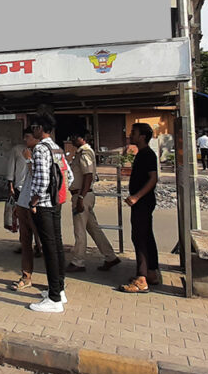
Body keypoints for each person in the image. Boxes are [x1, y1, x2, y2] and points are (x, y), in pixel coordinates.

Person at [27, 114, 68, 313]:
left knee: (49, 248)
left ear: (40, 128)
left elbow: (42, 181)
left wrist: (33, 201)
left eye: (34, 127)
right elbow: (69, 175)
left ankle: (54, 299)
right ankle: (59, 289)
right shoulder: (57, 148)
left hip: (43, 204)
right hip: (56, 201)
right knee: (57, 245)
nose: (32, 131)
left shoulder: (40, 149)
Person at [67, 129, 121, 273]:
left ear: (83, 138)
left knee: (79, 230)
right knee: (93, 228)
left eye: (74, 136)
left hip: (82, 195)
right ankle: (110, 256)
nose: (72, 139)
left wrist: (80, 197)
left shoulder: (85, 153)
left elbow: (88, 176)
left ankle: (78, 261)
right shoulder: (80, 153)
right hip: (82, 195)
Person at [121, 123, 161, 293]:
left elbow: (153, 179)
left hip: (143, 202)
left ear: (143, 136)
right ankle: (151, 272)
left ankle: (141, 278)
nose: (131, 135)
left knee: (140, 238)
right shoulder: (141, 154)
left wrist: (136, 197)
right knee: (146, 236)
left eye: (134, 133)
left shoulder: (148, 155)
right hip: (142, 202)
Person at [9, 128, 40, 291]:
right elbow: (28, 181)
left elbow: (40, 178)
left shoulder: (43, 153)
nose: (25, 140)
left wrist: (29, 161)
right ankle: (26, 276)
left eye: (28, 137)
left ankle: (55, 283)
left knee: (45, 242)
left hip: (38, 206)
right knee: (25, 241)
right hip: (24, 203)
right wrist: (20, 204)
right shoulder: (25, 151)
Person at [7, 138, 42, 258]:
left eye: (29, 137)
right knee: (23, 221)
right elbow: (11, 166)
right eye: (25, 137)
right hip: (20, 188)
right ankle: (25, 245)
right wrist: (10, 183)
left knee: (35, 220)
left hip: (35, 191)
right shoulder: (17, 150)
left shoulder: (40, 152)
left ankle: (39, 245)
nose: (27, 139)